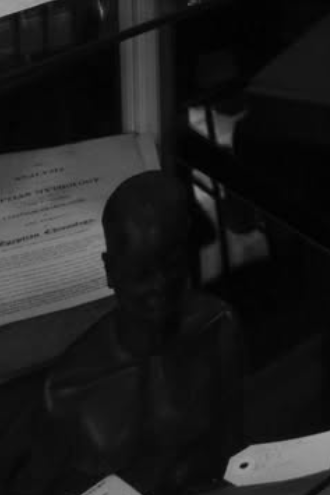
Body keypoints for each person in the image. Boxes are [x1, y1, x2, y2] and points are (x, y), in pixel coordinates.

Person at [15, 170, 244, 495]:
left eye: (173, 264)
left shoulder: (217, 326)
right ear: (110, 271)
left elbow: (237, 455)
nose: (160, 286)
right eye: (142, 272)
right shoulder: (70, 389)